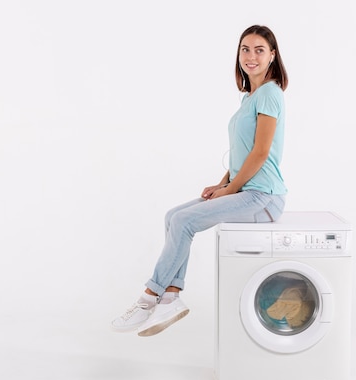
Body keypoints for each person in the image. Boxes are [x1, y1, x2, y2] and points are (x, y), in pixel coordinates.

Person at [111, 25, 289, 337]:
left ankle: (148, 299)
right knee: (173, 217)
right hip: (246, 190)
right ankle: (171, 296)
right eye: (245, 49)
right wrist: (223, 184)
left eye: (259, 50)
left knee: (184, 222)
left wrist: (230, 190)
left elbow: (261, 153)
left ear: (272, 56)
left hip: (264, 197)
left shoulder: (271, 94)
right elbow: (243, 153)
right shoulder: (251, 96)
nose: (251, 56)